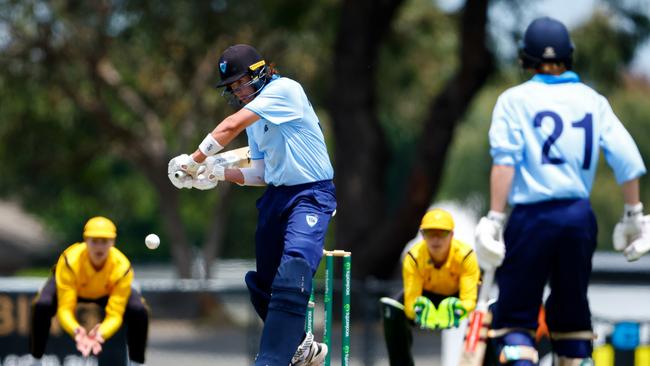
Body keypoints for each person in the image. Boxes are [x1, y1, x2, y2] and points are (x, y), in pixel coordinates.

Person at [474, 17, 649, 365]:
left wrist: (495, 217)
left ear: (526, 59)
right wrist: (634, 214)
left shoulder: (514, 100)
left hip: (532, 218)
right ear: (568, 57)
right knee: (572, 319)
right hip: (578, 218)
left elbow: (505, 163)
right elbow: (628, 159)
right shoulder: (592, 100)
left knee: (515, 319)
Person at [168, 44, 336, 366]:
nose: (238, 91)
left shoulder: (284, 90)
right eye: (232, 88)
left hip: (311, 194)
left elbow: (229, 127)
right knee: (262, 285)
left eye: (241, 82)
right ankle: (301, 345)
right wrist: (216, 172)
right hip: (277, 196)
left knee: (295, 267)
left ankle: (271, 359)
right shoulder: (257, 120)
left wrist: (193, 159)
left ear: (260, 72)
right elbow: (260, 173)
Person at [29, 216, 149, 365]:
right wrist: (76, 330)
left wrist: (101, 332)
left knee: (139, 310)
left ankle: (137, 363)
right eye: (94, 241)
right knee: (42, 305)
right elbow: (65, 308)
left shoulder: (122, 268)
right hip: (75, 288)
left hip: (106, 292)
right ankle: (36, 360)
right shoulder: (69, 261)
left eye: (104, 241)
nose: (99, 247)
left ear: (113, 242)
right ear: (86, 241)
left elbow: (116, 314)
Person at [379, 208, 480, 366]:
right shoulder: (413, 257)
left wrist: (458, 309)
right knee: (392, 310)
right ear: (422, 234)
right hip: (425, 298)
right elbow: (412, 301)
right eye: (429, 233)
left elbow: (469, 300)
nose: (436, 239)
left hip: (456, 298)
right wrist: (420, 311)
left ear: (452, 235)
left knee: (487, 312)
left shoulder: (466, 256)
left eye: (442, 233)